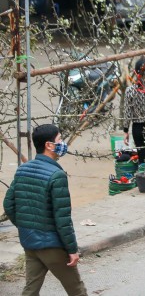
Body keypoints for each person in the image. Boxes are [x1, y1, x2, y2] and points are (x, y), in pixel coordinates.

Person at [3, 124, 88, 296]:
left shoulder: (22, 169)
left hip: (30, 242)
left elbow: (8, 204)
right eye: (59, 140)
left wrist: (25, 226)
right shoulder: (57, 176)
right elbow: (62, 219)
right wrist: (72, 249)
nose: (62, 143)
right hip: (52, 245)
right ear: (49, 145)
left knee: (31, 289)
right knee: (76, 289)